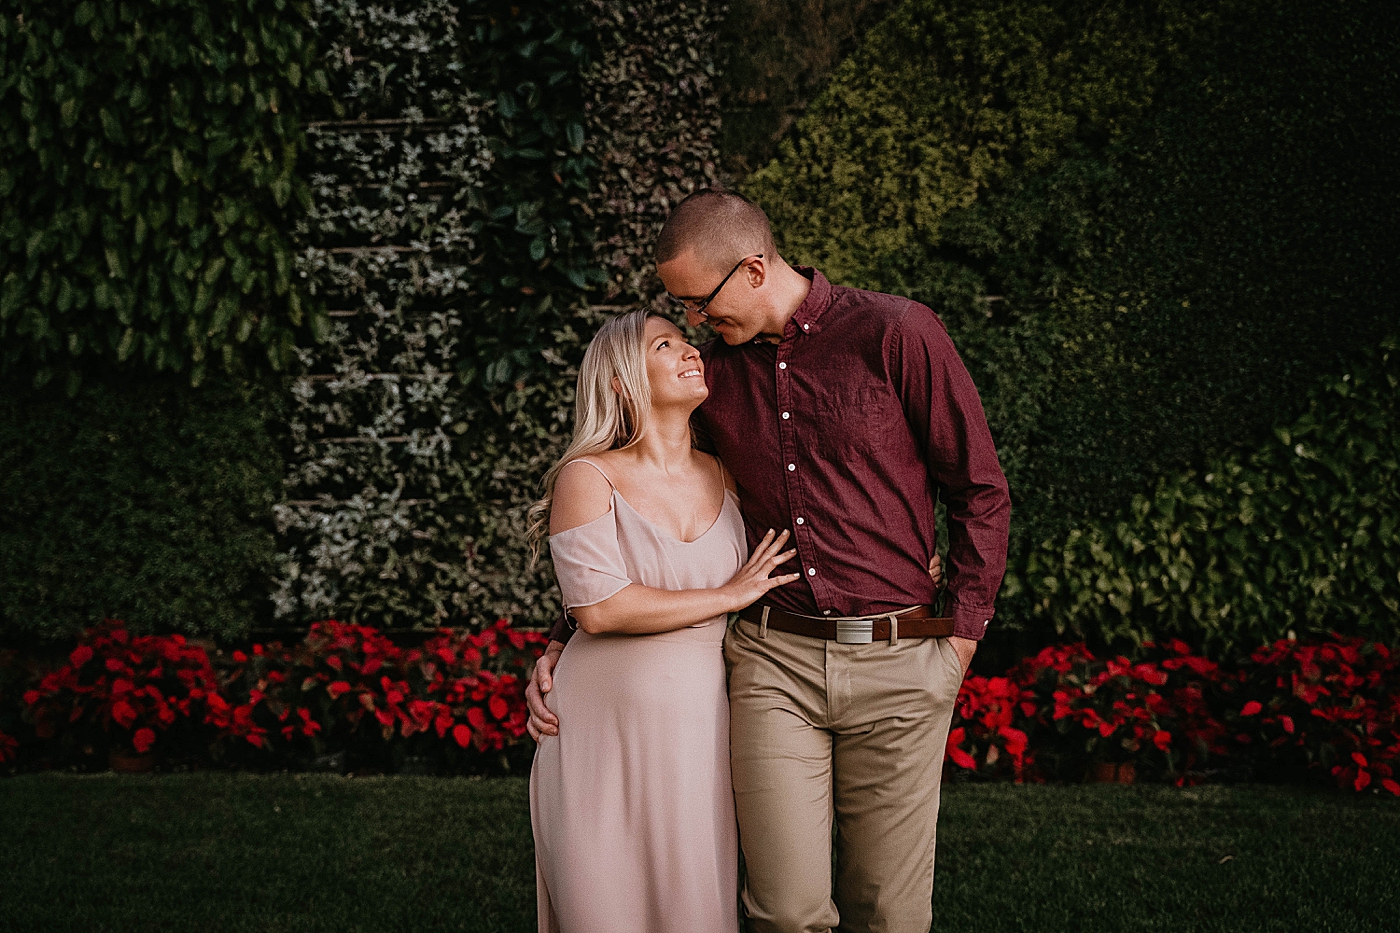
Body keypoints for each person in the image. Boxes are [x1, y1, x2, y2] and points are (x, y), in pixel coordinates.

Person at [530, 188, 1011, 933]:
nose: (693, 320)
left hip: (900, 659)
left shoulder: (896, 333)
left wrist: (960, 637)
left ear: (753, 268)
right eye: (680, 309)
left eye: (698, 300)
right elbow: (647, 510)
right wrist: (568, 635)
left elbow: (978, 486)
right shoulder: (712, 380)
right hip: (774, 663)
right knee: (783, 912)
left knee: (888, 910)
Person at [526, 309, 805, 933]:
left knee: (697, 908)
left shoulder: (729, 473)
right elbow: (598, 608)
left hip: (707, 729)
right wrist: (729, 593)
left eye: (687, 343)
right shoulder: (589, 475)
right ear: (624, 380)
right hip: (602, 733)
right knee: (606, 911)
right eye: (665, 345)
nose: (691, 352)